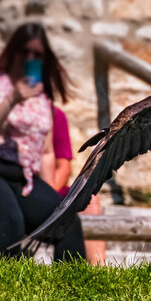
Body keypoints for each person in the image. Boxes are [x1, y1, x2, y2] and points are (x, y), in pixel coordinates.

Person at [0, 22, 85, 260]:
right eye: (25, 52)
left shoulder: (41, 97)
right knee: (10, 220)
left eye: (37, 54)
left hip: (23, 177)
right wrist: (12, 99)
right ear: (13, 52)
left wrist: (48, 197)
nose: (30, 58)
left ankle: (74, 291)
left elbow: (47, 152)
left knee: (66, 221)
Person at [52, 105, 105, 265]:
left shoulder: (55, 116)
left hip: (49, 187)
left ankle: (98, 269)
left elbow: (64, 167)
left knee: (90, 199)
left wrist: (46, 194)